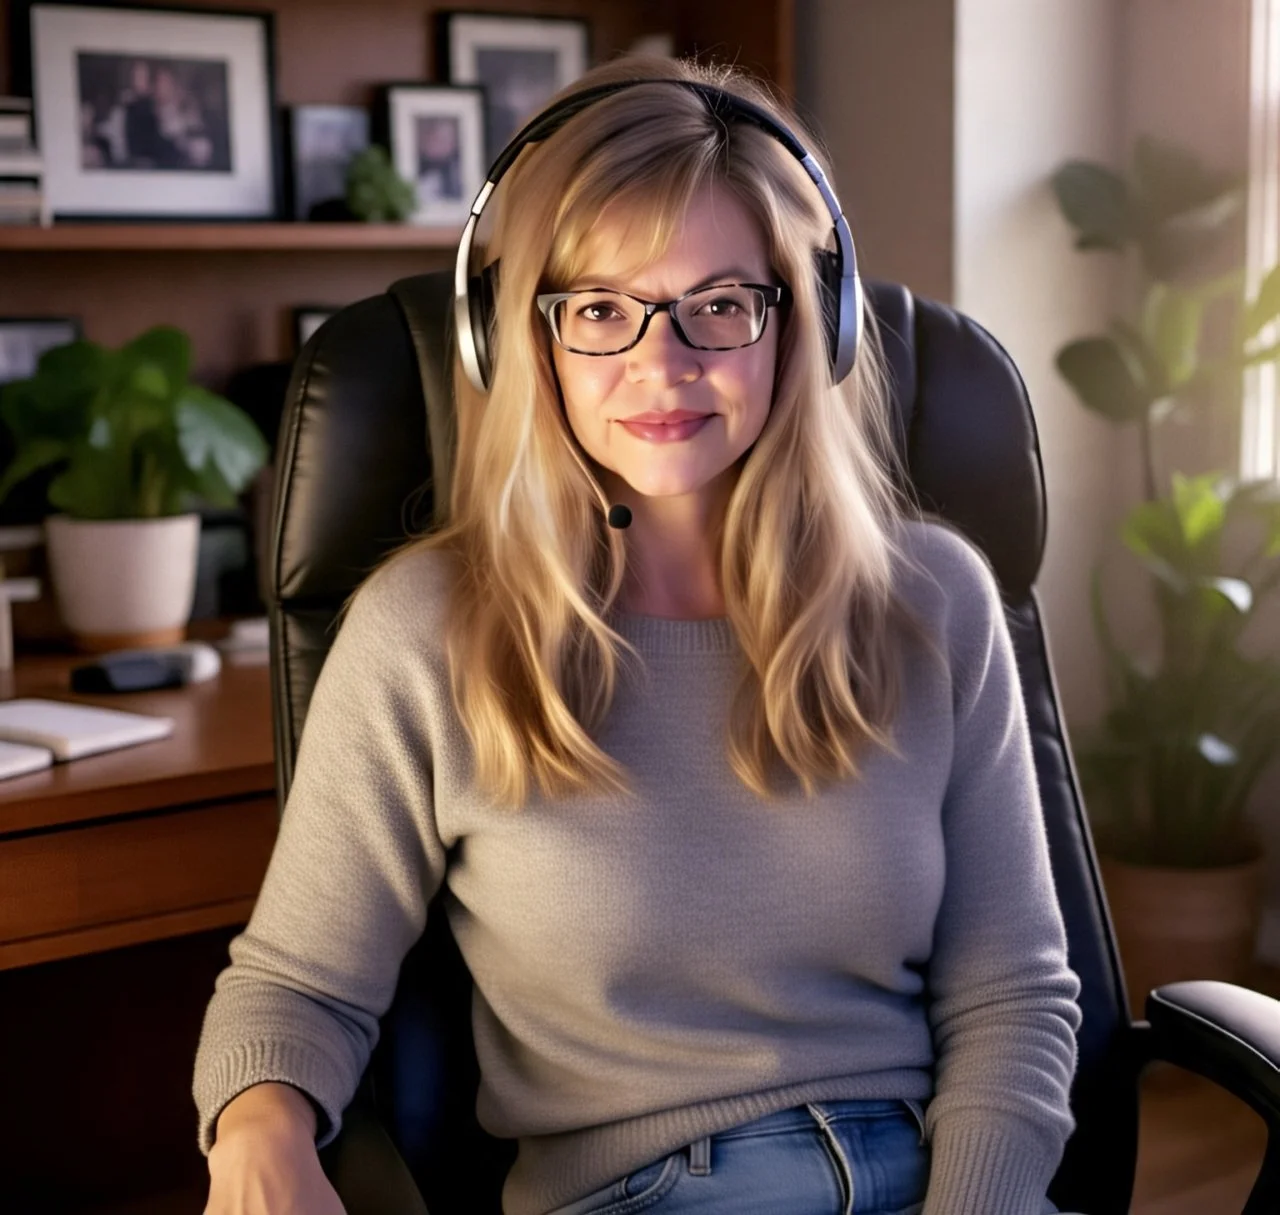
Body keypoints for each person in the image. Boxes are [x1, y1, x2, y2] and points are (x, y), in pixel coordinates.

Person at [194, 53, 1083, 1215]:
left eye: (718, 305)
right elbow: (295, 985)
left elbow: (1012, 993)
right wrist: (257, 1137)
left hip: (935, 1179)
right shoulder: (428, 630)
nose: (661, 364)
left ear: (804, 324)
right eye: (600, 310)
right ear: (522, 339)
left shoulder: (935, 601)